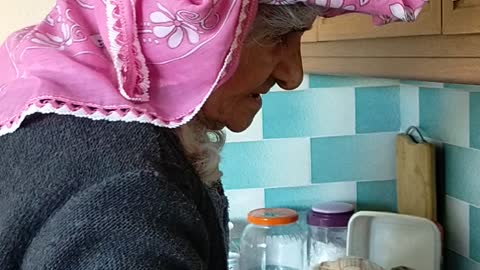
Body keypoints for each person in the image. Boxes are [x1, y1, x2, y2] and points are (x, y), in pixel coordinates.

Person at [0, 0, 425, 269]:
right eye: (279, 37)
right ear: (186, 37)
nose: (293, 74)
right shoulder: (127, 188)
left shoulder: (46, 120)